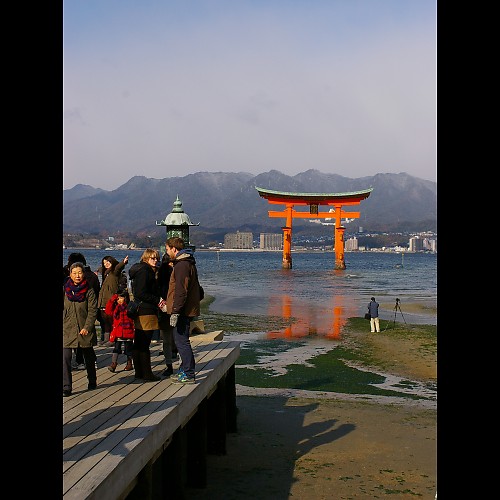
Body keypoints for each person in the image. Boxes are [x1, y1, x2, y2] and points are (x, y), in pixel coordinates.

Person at [165, 236, 202, 384]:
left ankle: (188, 373)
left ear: (174, 249)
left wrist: (175, 311)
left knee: (181, 341)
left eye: (168, 249)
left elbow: (181, 290)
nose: (167, 253)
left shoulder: (181, 266)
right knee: (180, 340)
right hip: (186, 308)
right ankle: (183, 370)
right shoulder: (187, 263)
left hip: (182, 310)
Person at [63, 262, 99, 396]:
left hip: (84, 328)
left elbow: (92, 310)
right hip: (67, 328)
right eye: (74, 273)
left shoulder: (88, 290)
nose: (77, 276)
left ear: (83, 274)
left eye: (80, 272)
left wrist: (87, 327)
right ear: (70, 274)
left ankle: (92, 380)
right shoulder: (65, 290)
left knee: (88, 355)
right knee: (65, 358)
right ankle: (66, 386)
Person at [128, 248, 163, 381]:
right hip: (146, 310)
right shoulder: (145, 271)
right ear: (146, 258)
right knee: (144, 344)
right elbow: (141, 293)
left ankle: (139, 372)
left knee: (139, 342)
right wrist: (158, 300)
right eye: (153, 258)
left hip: (140, 309)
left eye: (157, 258)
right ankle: (147, 373)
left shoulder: (139, 270)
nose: (155, 261)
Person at [97, 255, 129, 345]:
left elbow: (118, 267)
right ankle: (107, 338)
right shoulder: (105, 273)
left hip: (110, 299)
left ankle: (113, 339)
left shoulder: (114, 272)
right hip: (103, 300)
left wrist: (124, 262)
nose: (106, 264)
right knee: (105, 320)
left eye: (108, 262)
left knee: (112, 320)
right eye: (104, 263)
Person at [105, 287, 135, 372]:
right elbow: (108, 311)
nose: (119, 300)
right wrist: (112, 300)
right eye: (118, 298)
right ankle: (114, 363)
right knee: (116, 348)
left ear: (125, 298)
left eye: (121, 298)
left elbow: (133, 317)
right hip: (118, 331)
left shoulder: (129, 306)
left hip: (128, 330)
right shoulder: (116, 308)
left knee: (128, 348)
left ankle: (129, 363)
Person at [157, 252, 175, 377]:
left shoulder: (159, 274)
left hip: (163, 309)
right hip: (176, 308)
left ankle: (169, 365)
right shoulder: (175, 273)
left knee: (166, 339)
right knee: (180, 338)